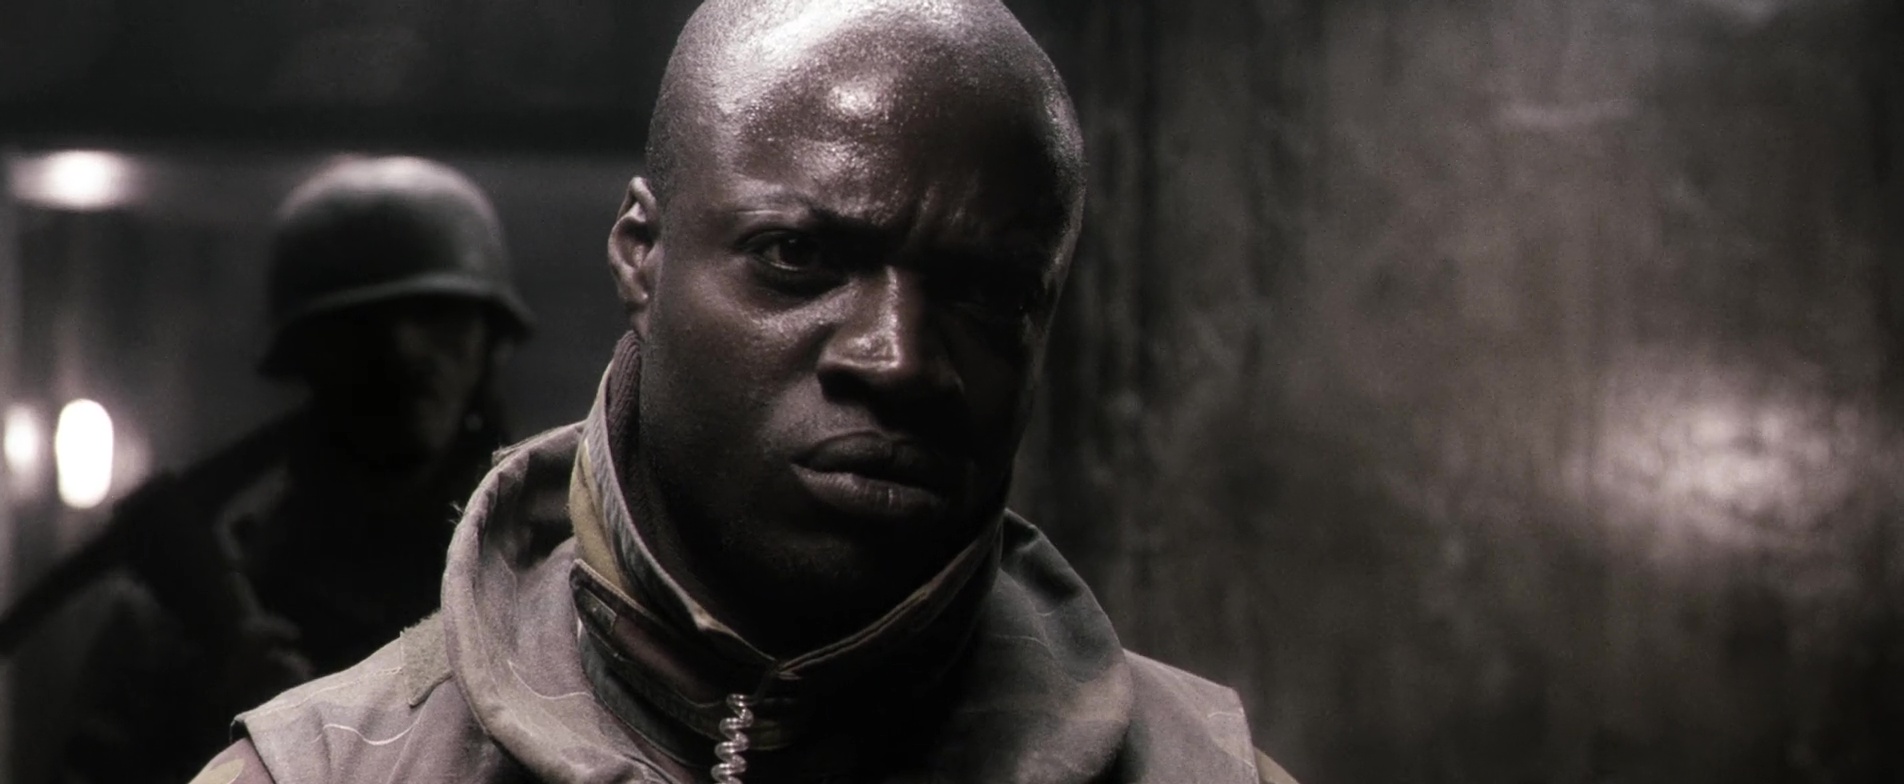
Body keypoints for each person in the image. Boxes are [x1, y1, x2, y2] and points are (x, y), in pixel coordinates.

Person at [192, 2, 1300, 782]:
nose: (898, 356)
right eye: (798, 257)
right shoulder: (322, 769)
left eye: (985, 290)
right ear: (641, 256)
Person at [61, 156, 532, 784]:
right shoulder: (182, 614)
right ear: (304, 355)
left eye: (437, 315)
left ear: (490, 343)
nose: (402, 350)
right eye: (358, 327)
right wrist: (220, 741)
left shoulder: (544, 574)